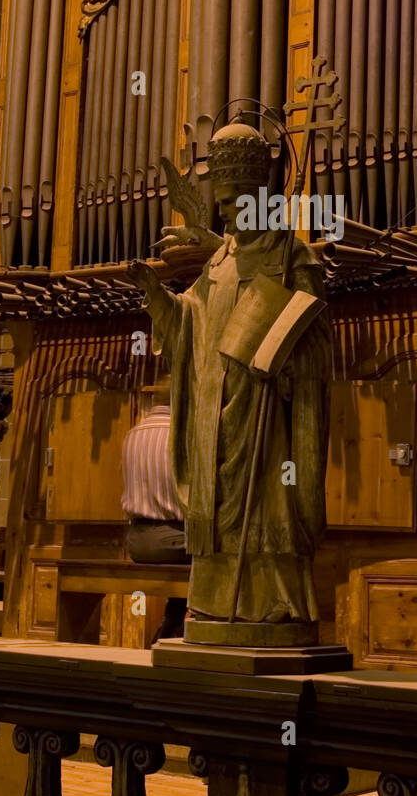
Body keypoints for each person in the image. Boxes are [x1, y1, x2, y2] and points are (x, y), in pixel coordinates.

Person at [133, 122, 331, 642]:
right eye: (219, 204)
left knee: (270, 505)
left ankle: (274, 610)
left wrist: (282, 365)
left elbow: (315, 340)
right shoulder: (219, 262)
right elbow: (190, 323)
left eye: (233, 202)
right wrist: (158, 298)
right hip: (213, 416)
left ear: (260, 197)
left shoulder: (292, 258)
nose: (224, 213)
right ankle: (216, 607)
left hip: (266, 417)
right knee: (216, 514)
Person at [121, 379, 188, 641]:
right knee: (219, 552)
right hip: (173, 539)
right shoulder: (181, 434)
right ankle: (203, 630)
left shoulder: (132, 433)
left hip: (136, 542)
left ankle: (171, 624)